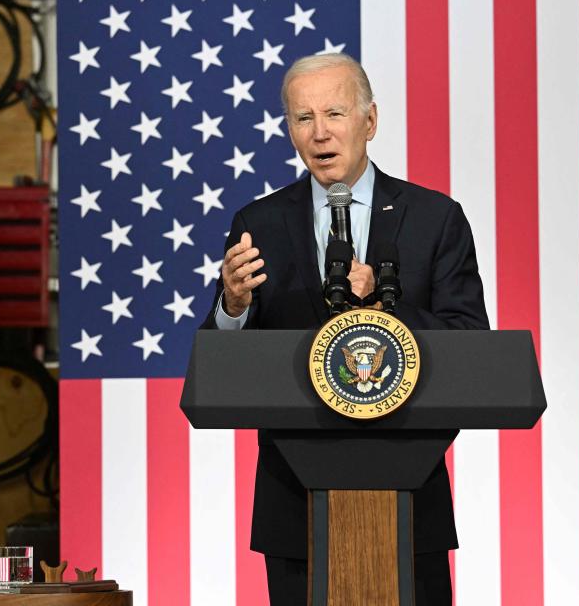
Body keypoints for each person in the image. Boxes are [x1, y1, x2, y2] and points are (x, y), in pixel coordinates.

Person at [201, 53, 489, 605]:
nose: (320, 132)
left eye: (334, 112)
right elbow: (221, 367)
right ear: (289, 131)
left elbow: (470, 341)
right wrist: (233, 304)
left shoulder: (435, 219)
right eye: (303, 118)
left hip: (409, 496)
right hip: (294, 501)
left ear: (370, 122)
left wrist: (385, 315)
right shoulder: (257, 224)